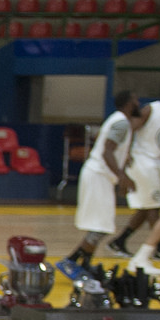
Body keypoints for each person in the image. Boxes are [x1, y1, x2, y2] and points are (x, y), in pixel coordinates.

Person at [65, 91, 143, 273]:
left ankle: (84, 264)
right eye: (136, 100)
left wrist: (124, 164)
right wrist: (122, 177)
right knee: (101, 226)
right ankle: (71, 260)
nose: (138, 103)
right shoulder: (121, 123)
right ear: (128, 104)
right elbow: (107, 151)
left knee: (101, 224)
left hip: (100, 176)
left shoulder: (117, 120)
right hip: (98, 176)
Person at [117, 79, 160, 269]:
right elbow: (131, 128)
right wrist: (126, 154)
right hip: (142, 160)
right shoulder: (152, 109)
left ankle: (119, 241)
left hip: (157, 161)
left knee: (147, 206)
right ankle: (159, 248)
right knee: (153, 207)